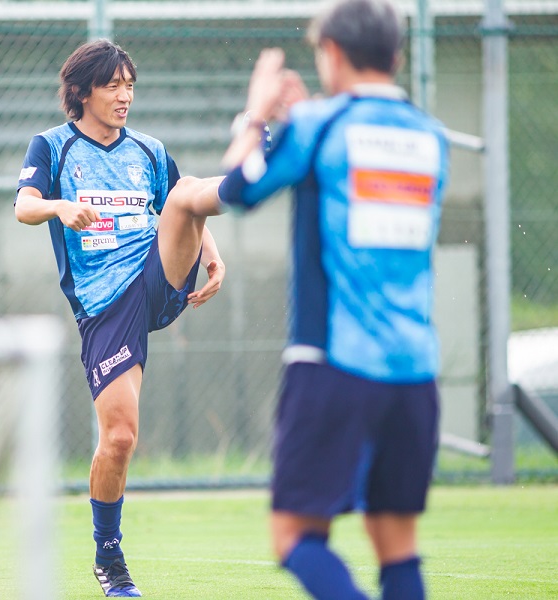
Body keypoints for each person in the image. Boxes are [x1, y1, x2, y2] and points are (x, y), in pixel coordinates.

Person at [173, 0, 449, 598]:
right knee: (396, 543)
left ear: (332, 54)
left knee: (295, 536)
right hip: (415, 370)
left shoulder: (317, 127)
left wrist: (257, 117)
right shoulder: (431, 137)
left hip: (335, 368)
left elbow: (241, 187)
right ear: (397, 56)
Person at [15, 40, 225, 597]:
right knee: (120, 438)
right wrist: (59, 205)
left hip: (156, 278)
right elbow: (23, 206)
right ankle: (109, 558)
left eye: (130, 85)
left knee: (183, 198)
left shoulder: (149, 151)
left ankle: (248, 179)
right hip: (105, 306)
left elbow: (183, 202)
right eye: (113, 85)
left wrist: (211, 254)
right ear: (82, 91)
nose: (124, 95)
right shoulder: (54, 147)